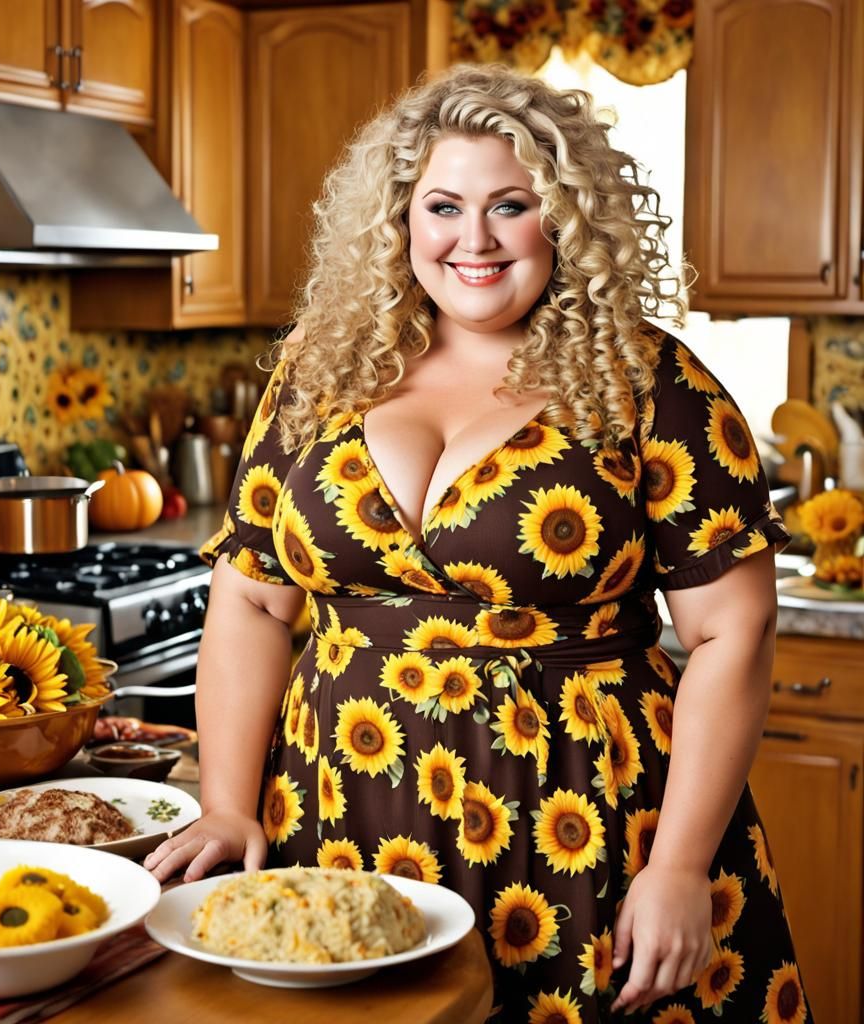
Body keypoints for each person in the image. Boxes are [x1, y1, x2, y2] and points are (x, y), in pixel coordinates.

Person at [145, 63, 811, 1023]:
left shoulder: (650, 379)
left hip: (590, 823)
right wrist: (227, 804)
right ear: (399, 221)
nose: (474, 240)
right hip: (336, 812)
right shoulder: (319, 363)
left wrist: (679, 866)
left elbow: (731, 633)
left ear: (566, 222)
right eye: (443, 205)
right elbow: (252, 596)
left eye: (511, 206)